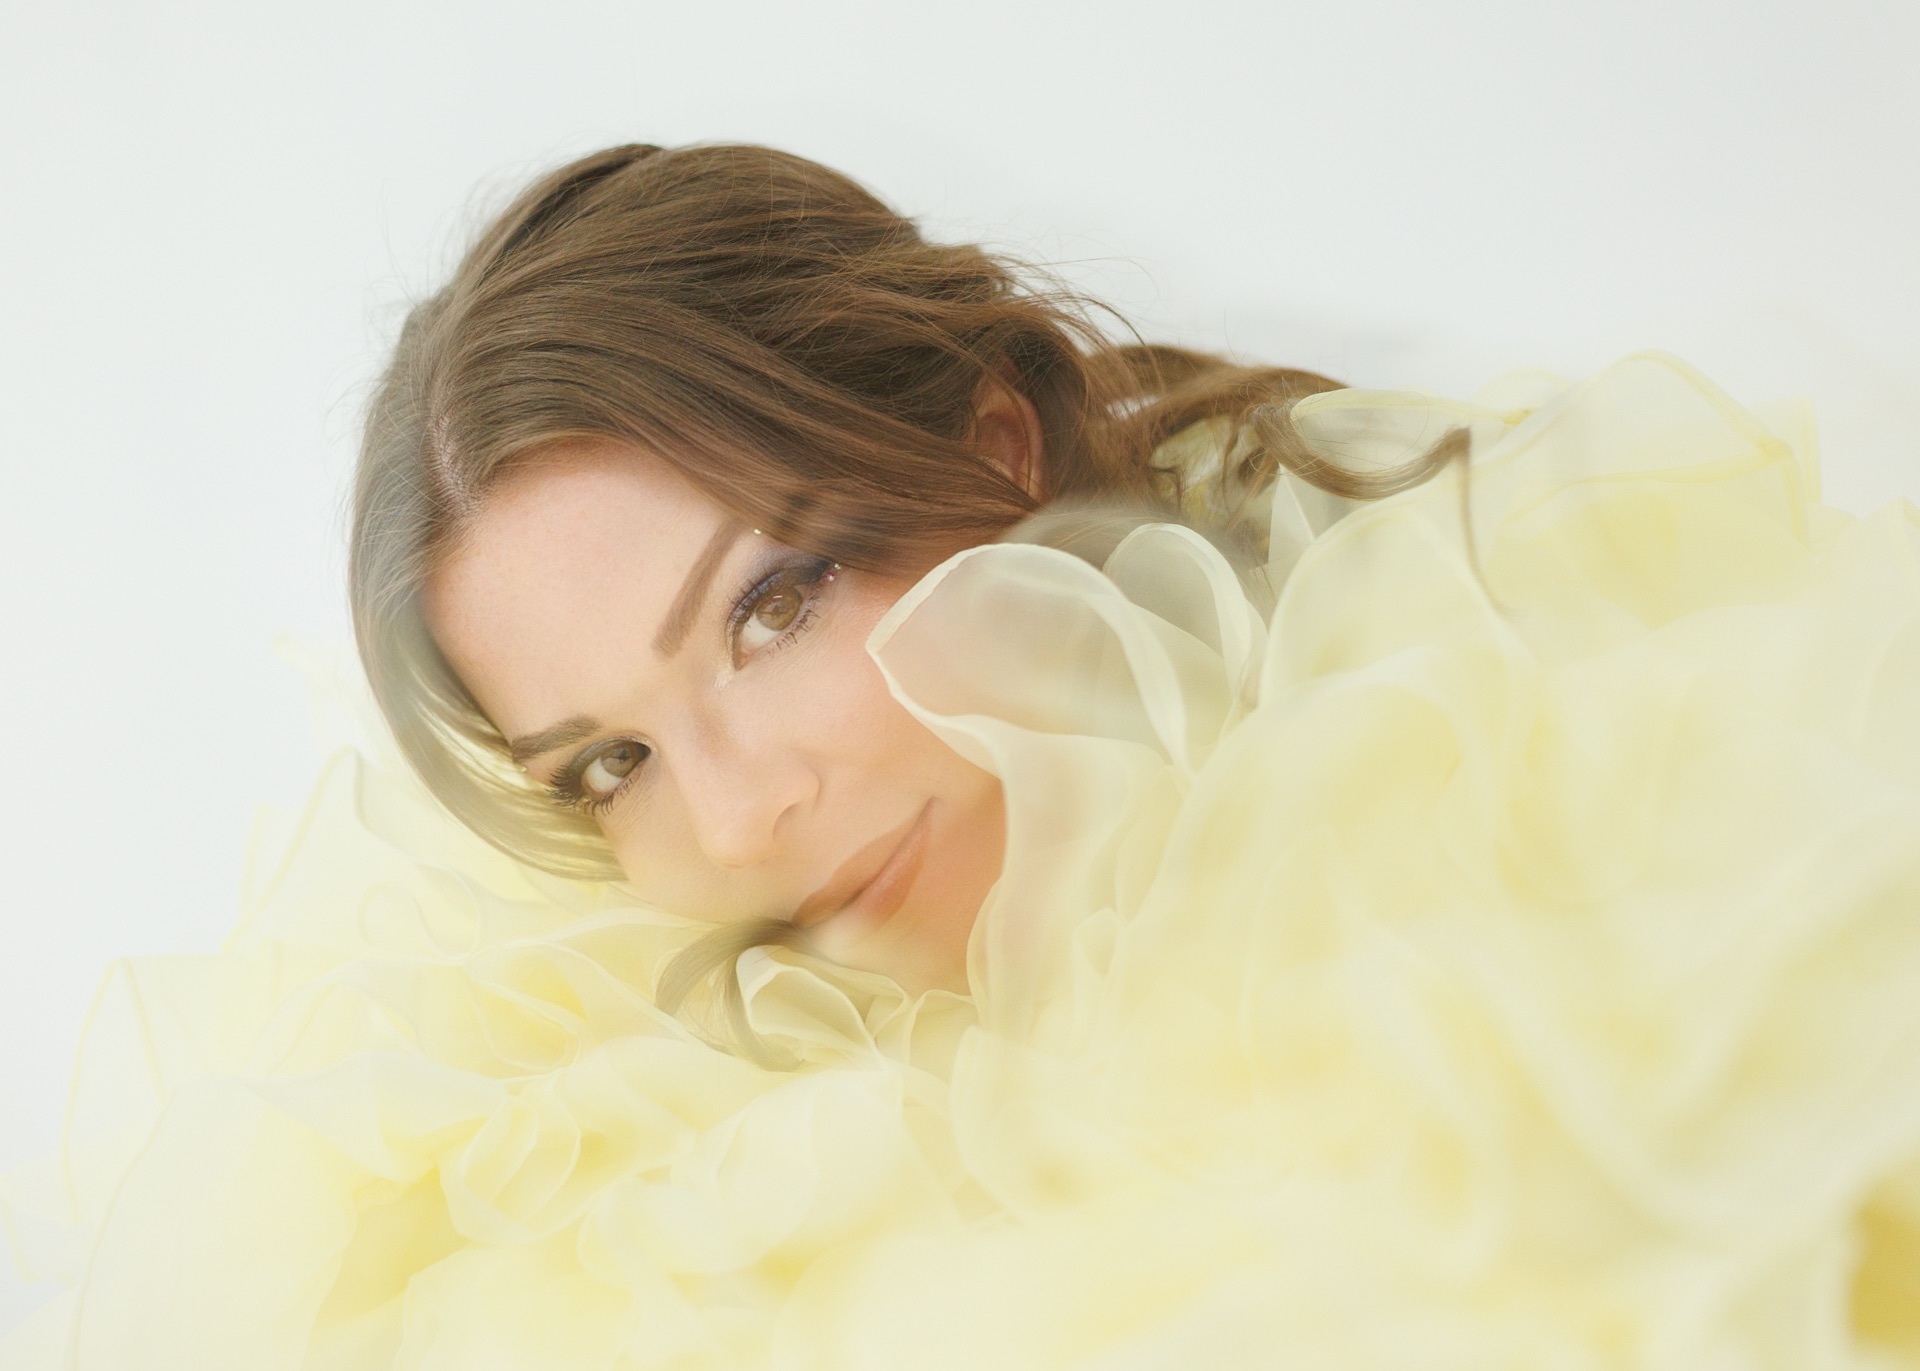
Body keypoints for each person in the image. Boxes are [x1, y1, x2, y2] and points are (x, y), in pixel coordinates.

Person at [5, 142, 1918, 1370]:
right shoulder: (636, 1131)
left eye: (770, 609)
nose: (741, 814)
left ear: (994, 454)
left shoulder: (1542, 750)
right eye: (610, 765)